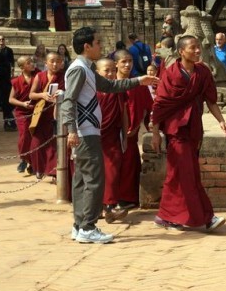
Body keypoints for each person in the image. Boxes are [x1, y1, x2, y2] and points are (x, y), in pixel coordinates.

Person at [61, 26, 158, 244]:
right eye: (97, 42)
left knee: (81, 181)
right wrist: (72, 130)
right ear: (87, 46)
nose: (100, 46)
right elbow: (69, 101)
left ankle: (79, 225)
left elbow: (111, 86)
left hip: (88, 131)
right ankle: (88, 226)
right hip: (85, 131)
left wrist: (138, 81)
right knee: (94, 180)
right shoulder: (78, 69)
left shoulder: (86, 69)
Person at [150, 36, 226, 232]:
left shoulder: (202, 72)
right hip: (176, 129)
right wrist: (155, 133)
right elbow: (159, 105)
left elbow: (210, 100)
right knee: (188, 174)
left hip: (194, 128)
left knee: (177, 174)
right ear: (181, 52)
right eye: (192, 48)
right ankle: (207, 217)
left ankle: (166, 215)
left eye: (198, 48)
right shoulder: (171, 74)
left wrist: (221, 120)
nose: (197, 51)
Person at [115, 49, 153, 211]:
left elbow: (148, 109)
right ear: (116, 63)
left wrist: (150, 125)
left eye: (130, 61)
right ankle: (110, 198)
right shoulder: (108, 83)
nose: (127, 65)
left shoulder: (139, 84)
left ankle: (128, 197)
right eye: (123, 61)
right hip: (111, 133)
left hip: (131, 133)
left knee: (130, 165)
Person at [95, 58, 130, 222]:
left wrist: (125, 134)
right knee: (95, 172)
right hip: (93, 137)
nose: (109, 74)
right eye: (105, 70)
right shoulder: (90, 90)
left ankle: (109, 206)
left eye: (111, 70)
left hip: (112, 137)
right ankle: (97, 208)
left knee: (112, 171)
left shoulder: (118, 89)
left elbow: (123, 113)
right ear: (97, 73)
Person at [28, 51, 66, 183]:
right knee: (37, 144)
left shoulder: (64, 76)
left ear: (62, 63)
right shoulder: (40, 76)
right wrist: (43, 95)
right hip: (41, 115)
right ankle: (39, 169)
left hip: (56, 115)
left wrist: (61, 96)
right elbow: (31, 95)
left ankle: (54, 171)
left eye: (58, 61)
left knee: (55, 145)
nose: (55, 64)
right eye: (52, 61)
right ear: (46, 63)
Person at [9, 56, 37, 176]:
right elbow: (11, 99)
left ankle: (33, 163)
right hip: (22, 112)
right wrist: (23, 104)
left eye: (32, 62)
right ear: (21, 67)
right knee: (25, 135)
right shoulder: (16, 81)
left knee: (35, 137)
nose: (32, 64)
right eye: (28, 63)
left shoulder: (38, 76)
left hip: (37, 111)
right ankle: (24, 159)